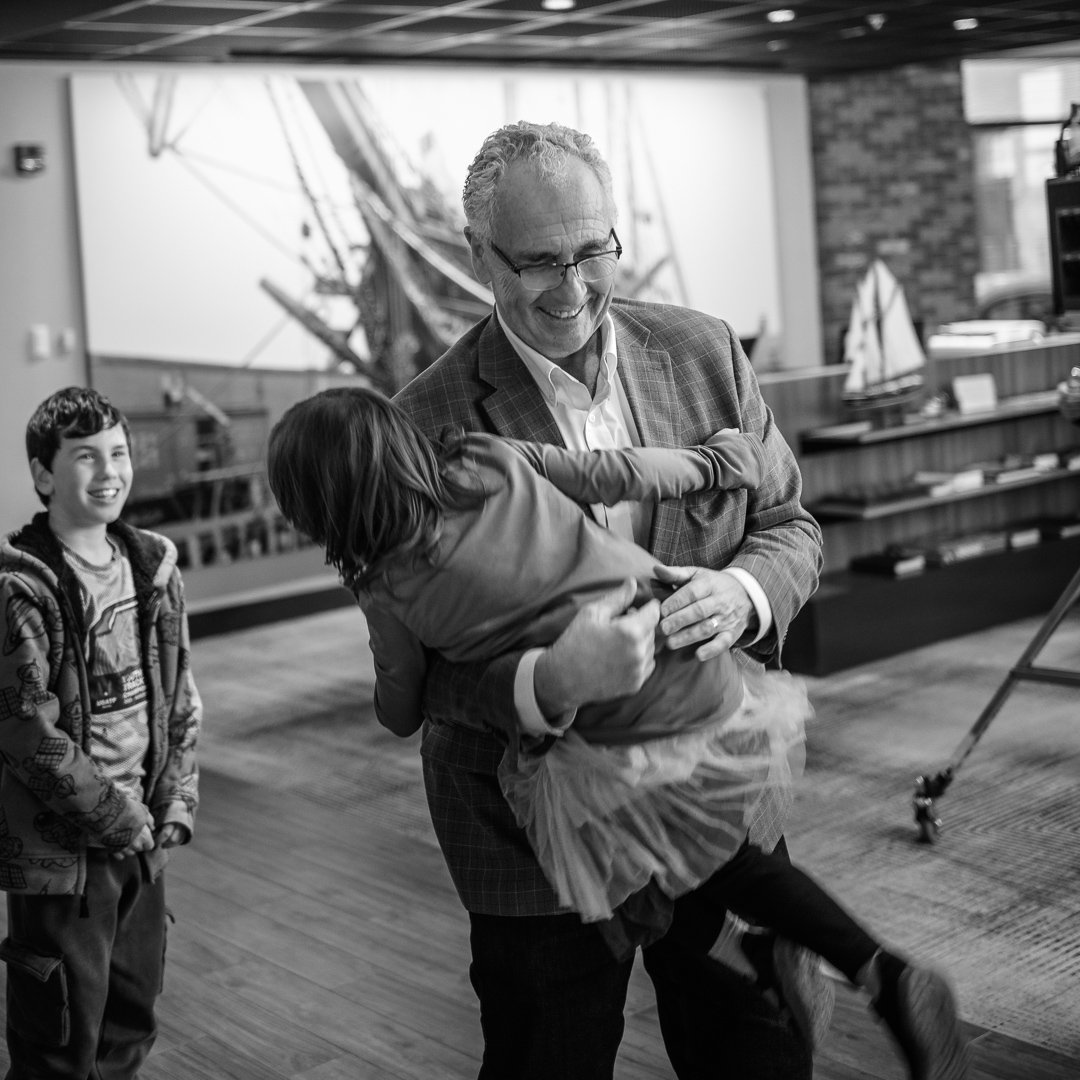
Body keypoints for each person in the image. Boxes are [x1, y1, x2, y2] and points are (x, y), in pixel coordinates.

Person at [388, 118, 955, 1080]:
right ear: (479, 256)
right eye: (539, 262)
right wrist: (543, 683)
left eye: (592, 252)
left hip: (713, 790)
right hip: (535, 840)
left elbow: (792, 527)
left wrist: (743, 592)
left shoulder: (704, 352)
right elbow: (426, 674)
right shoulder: (421, 427)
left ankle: (822, 969)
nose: (573, 288)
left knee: (755, 1058)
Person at [268, 386, 970, 1080]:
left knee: (619, 858)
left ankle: (874, 970)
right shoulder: (485, 459)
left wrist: (403, 667)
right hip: (687, 655)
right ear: (399, 440)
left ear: (319, 509)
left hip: (615, 723)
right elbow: (615, 471)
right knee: (695, 858)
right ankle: (795, 959)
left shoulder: (384, 588)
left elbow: (402, 707)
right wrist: (715, 464)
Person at [0, 386, 201, 1079]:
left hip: (143, 841)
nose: (109, 470)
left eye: (118, 453)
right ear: (44, 473)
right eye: (86, 457)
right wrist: (114, 816)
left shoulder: (154, 566)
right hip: (64, 859)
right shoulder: (21, 586)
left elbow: (180, 695)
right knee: (60, 1033)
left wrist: (175, 798)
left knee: (132, 1015)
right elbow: (26, 731)